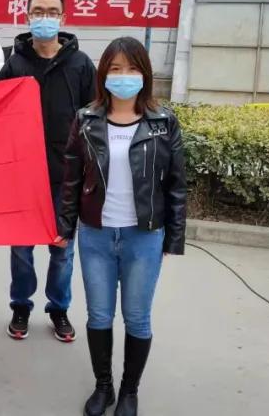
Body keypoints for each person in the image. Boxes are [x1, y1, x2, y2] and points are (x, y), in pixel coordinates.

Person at [57, 37, 186, 416]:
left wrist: (173, 238)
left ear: (144, 74)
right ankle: (104, 387)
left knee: (137, 317)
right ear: (103, 75)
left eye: (131, 68)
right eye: (115, 69)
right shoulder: (86, 119)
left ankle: (130, 391)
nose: (123, 76)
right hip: (96, 234)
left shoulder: (163, 123)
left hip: (142, 236)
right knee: (99, 315)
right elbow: (71, 179)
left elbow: (176, 183)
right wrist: (65, 228)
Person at [0, 0, 96, 343]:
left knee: (62, 249)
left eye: (52, 12)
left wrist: (88, 170)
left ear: (63, 18)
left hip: (66, 177)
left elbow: (94, 119)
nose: (45, 18)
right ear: (27, 16)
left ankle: (59, 309)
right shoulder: (15, 63)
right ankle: (20, 306)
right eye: (38, 12)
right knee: (21, 250)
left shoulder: (81, 64)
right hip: (23, 175)